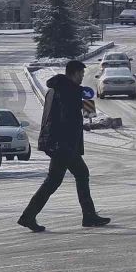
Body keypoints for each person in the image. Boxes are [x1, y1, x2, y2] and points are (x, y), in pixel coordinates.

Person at [18, 60, 110, 232]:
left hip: (55, 142)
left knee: (53, 181)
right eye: (81, 74)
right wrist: (65, 143)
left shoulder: (55, 89)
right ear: (74, 73)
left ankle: (28, 216)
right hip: (63, 143)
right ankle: (89, 216)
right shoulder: (67, 91)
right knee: (82, 173)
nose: (82, 77)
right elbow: (67, 119)